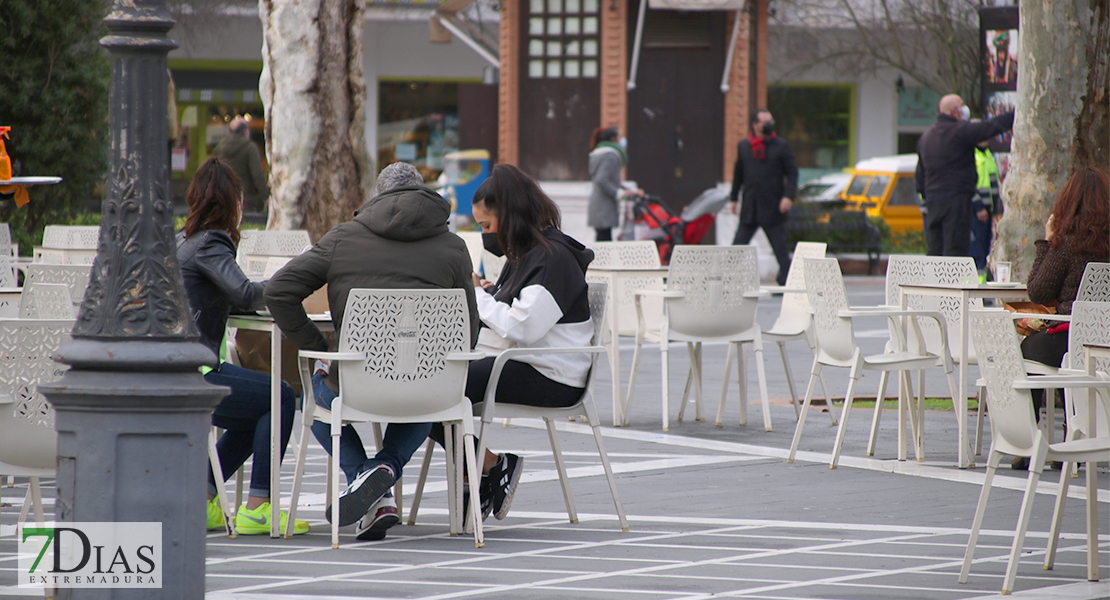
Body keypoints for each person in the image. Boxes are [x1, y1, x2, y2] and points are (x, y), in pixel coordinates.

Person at [264, 161, 478, 540]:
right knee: (428, 386)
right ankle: (384, 469)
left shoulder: (343, 238)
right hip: (429, 389)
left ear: (377, 197)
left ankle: (366, 477)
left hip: (358, 384)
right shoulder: (454, 247)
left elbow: (278, 290)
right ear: (424, 194)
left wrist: (319, 347)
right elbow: (469, 329)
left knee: (313, 394)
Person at [429, 163, 595, 522]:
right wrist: (488, 293)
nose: (484, 234)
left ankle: (485, 467)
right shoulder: (527, 254)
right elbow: (513, 312)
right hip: (526, 363)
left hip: (552, 375)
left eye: (486, 226)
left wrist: (475, 295)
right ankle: (485, 466)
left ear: (509, 216)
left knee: (430, 390)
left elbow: (524, 326)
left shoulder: (554, 257)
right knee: (425, 385)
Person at [177, 157, 306, 535]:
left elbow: (221, 297)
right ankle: (258, 508)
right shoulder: (211, 241)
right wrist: (289, 284)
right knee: (281, 397)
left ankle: (201, 498)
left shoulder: (183, 240)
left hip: (177, 367)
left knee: (262, 407)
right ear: (233, 201)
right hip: (195, 374)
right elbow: (246, 293)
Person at [1016, 167, 1110, 468]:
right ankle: (1074, 435)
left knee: (1029, 350)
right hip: (1104, 339)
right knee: (1065, 359)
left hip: (1073, 336)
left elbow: (1039, 291)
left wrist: (1046, 241)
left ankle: (1027, 442)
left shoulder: (1067, 244)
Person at [915, 94, 1014, 257]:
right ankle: (951, 283)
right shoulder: (961, 131)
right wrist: (1014, 115)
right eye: (962, 106)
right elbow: (991, 126)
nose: (965, 110)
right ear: (955, 112)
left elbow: (920, 176)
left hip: (933, 202)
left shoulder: (926, 137)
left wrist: (928, 199)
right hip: (956, 201)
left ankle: (932, 282)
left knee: (934, 251)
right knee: (955, 251)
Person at [729, 109, 798, 286]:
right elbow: (739, 174)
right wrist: (733, 198)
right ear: (755, 126)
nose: (769, 125)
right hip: (750, 207)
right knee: (737, 247)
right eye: (765, 122)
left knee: (780, 250)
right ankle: (727, 280)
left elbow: (792, 174)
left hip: (773, 206)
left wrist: (788, 196)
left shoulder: (781, 146)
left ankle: (786, 281)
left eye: (771, 121)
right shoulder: (744, 146)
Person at [587, 126, 641, 242]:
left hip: (599, 205)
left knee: (602, 238)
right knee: (604, 241)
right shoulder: (610, 156)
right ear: (613, 139)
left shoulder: (599, 154)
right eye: (620, 136)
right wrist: (619, 193)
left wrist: (629, 191)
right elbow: (602, 180)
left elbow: (609, 180)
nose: (622, 140)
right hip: (604, 207)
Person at [212, 117, 269, 214]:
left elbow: (213, 171)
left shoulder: (219, 147)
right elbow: (257, 174)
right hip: (246, 199)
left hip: (224, 197)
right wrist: (265, 197)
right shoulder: (250, 148)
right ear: (245, 131)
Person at [970, 138, 1003, 275]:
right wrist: (978, 207)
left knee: (984, 251)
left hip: (987, 211)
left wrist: (996, 209)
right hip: (975, 212)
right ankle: (974, 289)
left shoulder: (988, 155)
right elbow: (969, 185)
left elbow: (994, 184)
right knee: (976, 252)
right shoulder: (971, 155)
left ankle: (981, 290)